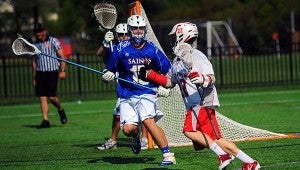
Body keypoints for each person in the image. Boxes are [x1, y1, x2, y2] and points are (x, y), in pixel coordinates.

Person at [140, 22, 261, 170]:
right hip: (194, 103)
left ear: (182, 36)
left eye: (175, 37)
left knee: (188, 131)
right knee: (216, 139)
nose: (173, 40)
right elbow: (170, 82)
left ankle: (223, 155)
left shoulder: (197, 56)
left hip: (202, 101)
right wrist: (150, 74)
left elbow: (211, 77)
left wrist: (203, 79)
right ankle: (250, 162)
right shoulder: (178, 60)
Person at [101, 15, 176, 166]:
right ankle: (136, 137)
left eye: (141, 28)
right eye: (135, 28)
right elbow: (108, 71)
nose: (138, 31)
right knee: (128, 130)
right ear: (130, 30)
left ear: (145, 30)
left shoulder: (153, 51)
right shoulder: (120, 49)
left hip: (147, 91)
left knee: (148, 120)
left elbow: (170, 74)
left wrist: (163, 87)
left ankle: (168, 155)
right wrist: (106, 76)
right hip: (126, 93)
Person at [97, 23, 149, 150]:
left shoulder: (135, 47)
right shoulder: (114, 47)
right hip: (124, 88)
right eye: (121, 35)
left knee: (144, 115)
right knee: (117, 115)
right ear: (116, 36)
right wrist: (104, 43)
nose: (124, 37)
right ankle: (114, 140)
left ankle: (144, 139)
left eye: (126, 34)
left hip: (138, 85)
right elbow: (99, 53)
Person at [32, 23, 68, 129]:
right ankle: (45, 120)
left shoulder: (53, 41)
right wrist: (34, 77)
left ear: (44, 31)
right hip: (40, 73)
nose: (38, 33)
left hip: (51, 72)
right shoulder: (35, 44)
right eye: (36, 32)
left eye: (39, 31)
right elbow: (34, 61)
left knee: (52, 97)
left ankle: (60, 109)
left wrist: (63, 70)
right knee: (42, 97)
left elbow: (62, 56)